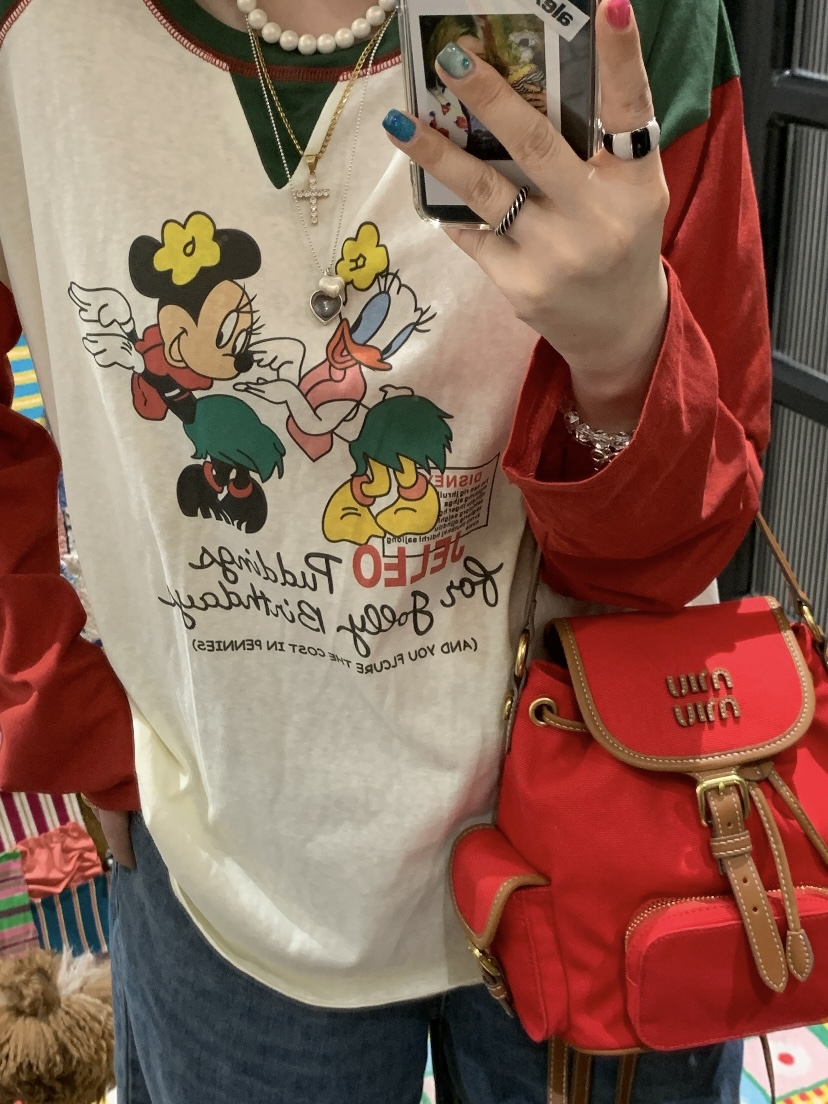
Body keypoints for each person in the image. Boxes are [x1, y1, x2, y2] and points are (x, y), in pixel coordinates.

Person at [0, 0, 771, 1100]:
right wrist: (63, 706)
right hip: (224, 868)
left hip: (609, 833)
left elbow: (681, 537)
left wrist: (621, 355)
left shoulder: (629, 22)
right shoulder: (33, 39)